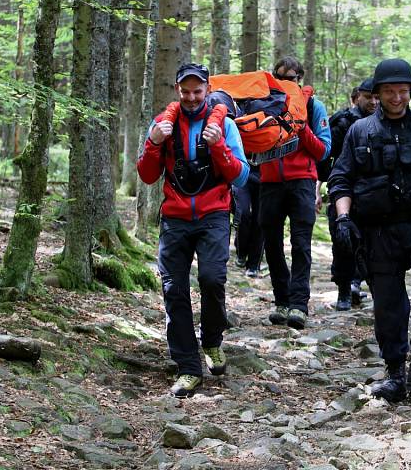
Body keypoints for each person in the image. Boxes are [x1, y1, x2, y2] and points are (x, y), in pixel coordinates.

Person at [328, 58, 411, 402]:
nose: (397, 98)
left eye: (402, 91)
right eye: (389, 91)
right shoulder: (360, 131)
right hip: (379, 230)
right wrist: (343, 218)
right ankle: (395, 370)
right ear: (377, 94)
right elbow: (341, 179)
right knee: (388, 303)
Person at [137, 62, 250, 398]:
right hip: (174, 217)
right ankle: (188, 367)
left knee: (212, 279)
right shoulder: (161, 124)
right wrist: (154, 144)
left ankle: (212, 341)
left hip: (214, 214)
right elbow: (146, 175)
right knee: (174, 289)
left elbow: (242, 176)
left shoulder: (225, 125)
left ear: (207, 89)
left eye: (197, 91)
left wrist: (218, 146)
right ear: (177, 90)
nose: (190, 97)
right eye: (185, 91)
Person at [259, 57, 331, 330]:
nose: (286, 83)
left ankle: (299, 305)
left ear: (300, 78)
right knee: (273, 245)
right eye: (280, 77)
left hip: (301, 181)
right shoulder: (264, 104)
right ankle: (282, 300)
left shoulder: (314, 106)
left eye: (291, 78)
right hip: (269, 182)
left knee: (301, 245)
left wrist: (301, 129)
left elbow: (323, 150)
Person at [317, 78, 379, 310]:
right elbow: (325, 158)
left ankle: (359, 285)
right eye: (368, 97)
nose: (373, 102)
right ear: (357, 97)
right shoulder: (341, 123)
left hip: (372, 195)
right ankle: (344, 290)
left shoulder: (384, 122)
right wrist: (320, 187)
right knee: (342, 242)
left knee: (372, 244)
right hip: (342, 192)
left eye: (376, 97)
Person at [232, 165, 263, 278]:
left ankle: (253, 264)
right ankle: (241, 253)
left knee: (260, 220)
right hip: (242, 171)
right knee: (242, 214)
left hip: (265, 175)